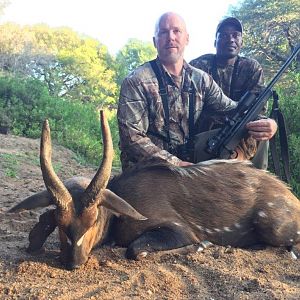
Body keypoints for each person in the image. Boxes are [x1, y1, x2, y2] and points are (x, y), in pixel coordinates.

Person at [117, 12, 273, 170]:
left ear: (187, 39)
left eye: (176, 31)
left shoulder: (201, 79)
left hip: (188, 164)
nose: (171, 37)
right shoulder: (136, 81)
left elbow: (233, 110)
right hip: (149, 170)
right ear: (154, 41)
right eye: (163, 32)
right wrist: (176, 164)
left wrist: (268, 123)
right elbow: (132, 140)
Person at [190, 17, 277, 169]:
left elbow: (258, 112)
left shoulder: (252, 68)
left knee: (262, 134)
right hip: (207, 133)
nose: (230, 39)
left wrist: (271, 124)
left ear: (241, 41)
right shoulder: (198, 66)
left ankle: (259, 184)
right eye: (223, 35)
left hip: (242, 131)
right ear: (215, 42)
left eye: (235, 35)